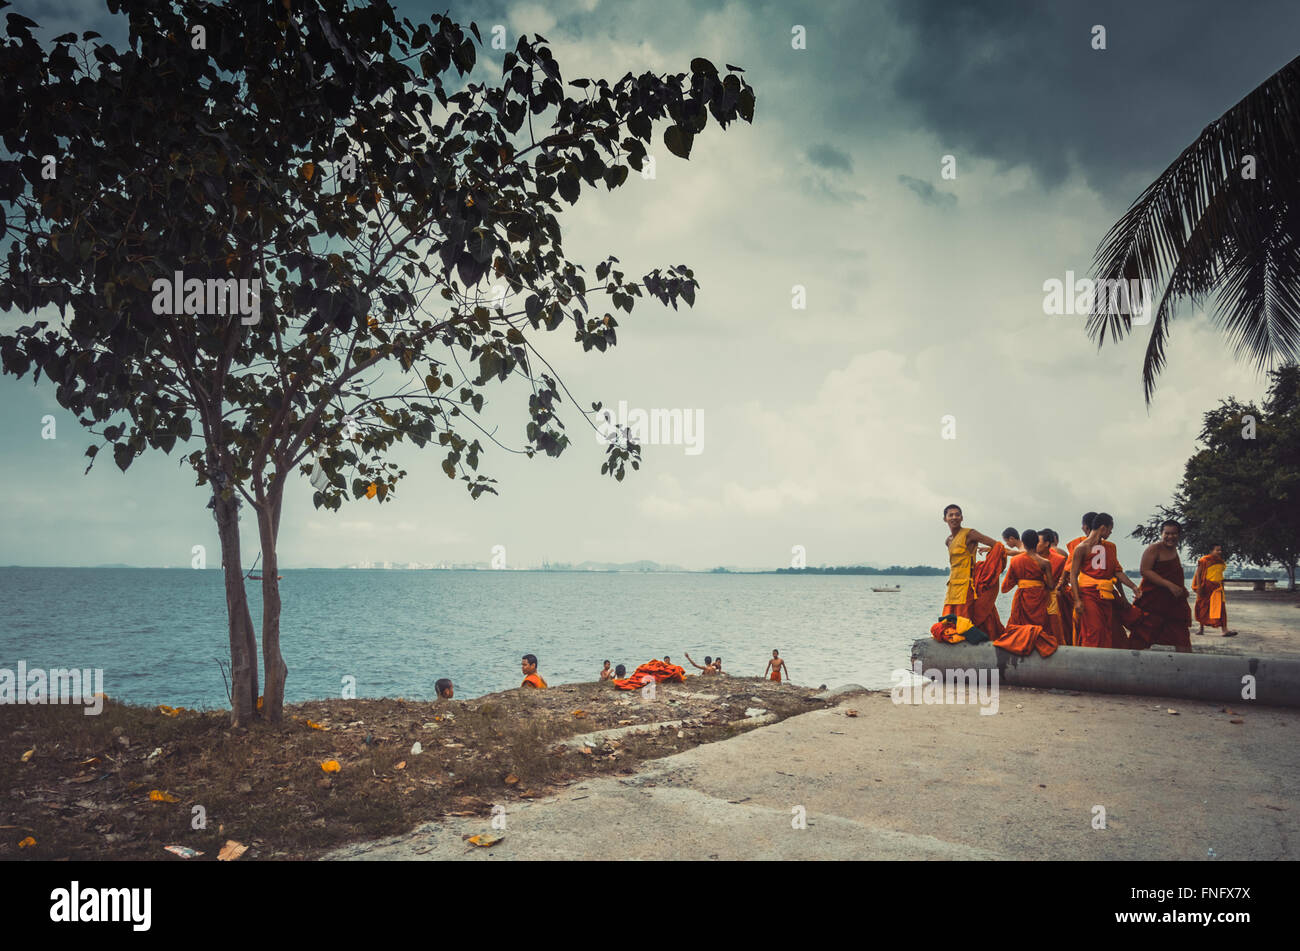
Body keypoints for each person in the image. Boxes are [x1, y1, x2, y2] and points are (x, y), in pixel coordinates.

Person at [1069, 513, 1137, 648]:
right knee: (1094, 630)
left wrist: (1132, 588)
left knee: (1110, 630)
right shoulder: (1081, 548)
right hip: (1089, 594)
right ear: (1103, 528)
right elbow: (1073, 575)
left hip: (1107, 595)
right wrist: (1077, 600)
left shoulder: (1110, 547)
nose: (1111, 532)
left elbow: (1117, 573)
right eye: (1110, 529)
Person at [1128, 520, 1192, 652]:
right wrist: (1169, 585)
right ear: (1161, 534)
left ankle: (1186, 666)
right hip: (1154, 601)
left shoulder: (1174, 549)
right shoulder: (1154, 548)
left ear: (1179, 535)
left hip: (1173, 602)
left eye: (1174, 534)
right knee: (1141, 636)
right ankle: (1129, 663)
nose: (1170, 537)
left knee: (1181, 636)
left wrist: (1178, 589)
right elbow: (1145, 570)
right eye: (1167, 533)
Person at [941, 504, 1003, 618]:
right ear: (945, 519)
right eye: (951, 515)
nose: (954, 517)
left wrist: (990, 549)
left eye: (957, 515)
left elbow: (997, 545)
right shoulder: (948, 541)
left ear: (962, 518)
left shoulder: (970, 534)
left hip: (967, 585)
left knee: (963, 619)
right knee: (948, 619)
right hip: (953, 584)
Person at [1002, 529, 1054, 627]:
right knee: (1040, 624)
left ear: (1023, 543)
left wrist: (1022, 582)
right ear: (1037, 542)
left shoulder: (1015, 560)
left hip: (1022, 595)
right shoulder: (1045, 562)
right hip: (1039, 596)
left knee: (1020, 624)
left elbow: (1008, 584)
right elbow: (1051, 586)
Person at [1039, 529, 1071, 645]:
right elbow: (1068, 575)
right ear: (1056, 540)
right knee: (1064, 624)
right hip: (1061, 591)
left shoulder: (1042, 554)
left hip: (1047, 591)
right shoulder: (1063, 553)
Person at [1192, 544, 1234, 636]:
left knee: (1221, 608)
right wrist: (1199, 587)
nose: (1219, 552)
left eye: (1220, 550)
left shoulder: (1221, 562)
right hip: (1206, 587)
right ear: (1211, 551)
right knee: (1203, 607)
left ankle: (1224, 630)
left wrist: (1222, 588)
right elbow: (1198, 575)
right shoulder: (1204, 560)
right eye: (1217, 550)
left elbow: (1220, 577)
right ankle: (1201, 629)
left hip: (1217, 588)